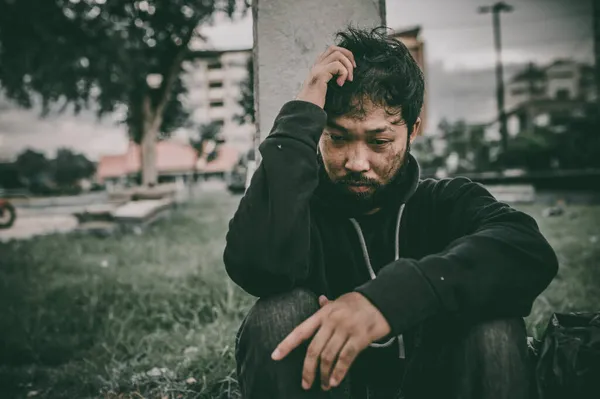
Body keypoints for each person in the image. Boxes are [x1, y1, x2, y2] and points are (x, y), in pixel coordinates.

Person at [223, 27, 558, 399]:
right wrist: (300, 117)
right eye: (337, 137)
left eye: (379, 141)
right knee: (278, 316)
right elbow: (255, 266)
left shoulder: (446, 203)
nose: (356, 161)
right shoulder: (301, 213)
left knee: (493, 325)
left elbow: (528, 250)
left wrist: (389, 300)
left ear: (413, 130)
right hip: (333, 387)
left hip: (437, 382)